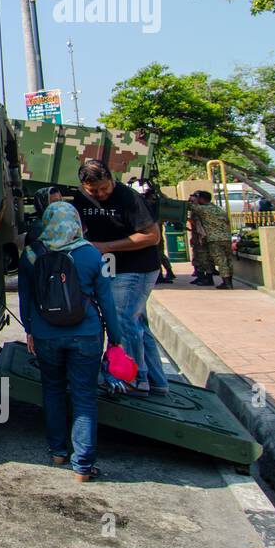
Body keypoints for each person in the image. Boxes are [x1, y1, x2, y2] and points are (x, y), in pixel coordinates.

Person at [19, 200, 124, 482]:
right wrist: (115, 338)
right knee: (84, 397)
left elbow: (25, 300)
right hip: (86, 335)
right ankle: (83, 467)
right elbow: (107, 302)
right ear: (76, 222)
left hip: (45, 335)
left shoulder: (30, 255)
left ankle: (57, 452)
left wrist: (30, 330)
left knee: (52, 390)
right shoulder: (91, 254)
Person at [71, 159, 169, 397]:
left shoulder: (128, 198)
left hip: (138, 267)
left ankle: (133, 379)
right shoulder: (81, 199)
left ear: (112, 179)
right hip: (115, 269)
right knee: (137, 324)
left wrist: (107, 246)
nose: (101, 194)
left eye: (105, 188)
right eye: (94, 190)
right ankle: (156, 380)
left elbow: (151, 236)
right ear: (84, 186)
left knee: (123, 320)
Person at [188, 190, 235, 290]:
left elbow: (189, 206)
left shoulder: (203, 209)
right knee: (228, 260)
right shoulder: (218, 209)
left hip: (214, 239)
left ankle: (226, 283)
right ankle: (229, 281)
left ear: (201, 199)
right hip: (226, 238)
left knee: (221, 260)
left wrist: (192, 200)